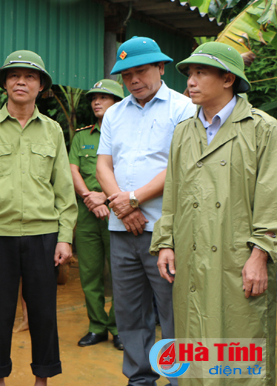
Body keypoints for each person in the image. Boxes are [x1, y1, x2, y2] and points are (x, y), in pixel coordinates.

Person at [151, 42, 277, 385]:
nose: (190, 81)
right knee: (196, 347)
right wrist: (165, 242)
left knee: (241, 352)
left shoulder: (262, 129)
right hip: (191, 259)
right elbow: (173, 192)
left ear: (227, 78)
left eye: (200, 72)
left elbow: (272, 197)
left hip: (238, 259)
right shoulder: (183, 132)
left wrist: (260, 255)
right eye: (190, 73)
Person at [0, 50, 78, 386]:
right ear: (5, 84)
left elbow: (63, 188)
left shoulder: (53, 131)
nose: (21, 82)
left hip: (44, 234)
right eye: (14, 76)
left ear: (40, 85)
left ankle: (42, 380)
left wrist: (65, 235)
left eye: (29, 76)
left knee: (43, 313)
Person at [96, 36, 196, 386]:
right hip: (121, 230)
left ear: (160, 68)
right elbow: (103, 166)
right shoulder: (114, 113)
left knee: (173, 311)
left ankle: (178, 378)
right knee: (129, 310)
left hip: (165, 231)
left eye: (140, 71)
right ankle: (140, 378)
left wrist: (134, 198)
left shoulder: (183, 108)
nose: (133, 80)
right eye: (126, 75)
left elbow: (182, 165)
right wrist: (123, 208)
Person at [68, 79, 124, 350]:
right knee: (90, 273)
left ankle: (119, 328)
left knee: (121, 275)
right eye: (94, 98)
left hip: (121, 212)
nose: (96, 102)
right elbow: (73, 169)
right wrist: (90, 200)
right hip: (89, 213)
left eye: (104, 97)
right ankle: (97, 327)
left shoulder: (129, 133)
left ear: (119, 102)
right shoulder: (82, 135)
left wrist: (108, 198)